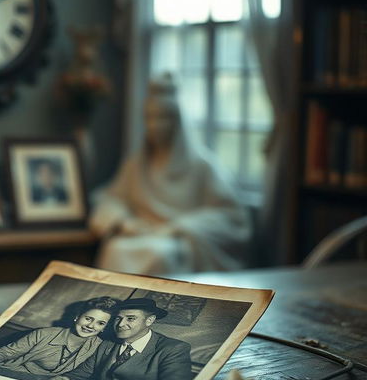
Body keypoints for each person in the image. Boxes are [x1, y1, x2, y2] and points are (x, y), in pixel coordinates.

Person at [89, 75, 251, 275]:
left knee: (160, 254)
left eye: (163, 118)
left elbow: (231, 218)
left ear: (177, 121)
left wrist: (181, 227)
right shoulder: (136, 164)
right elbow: (110, 197)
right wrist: (124, 221)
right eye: (150, 118)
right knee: (115, 248)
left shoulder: (202, 166)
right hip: (141, 234)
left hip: (176, 241)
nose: (155, 125)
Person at [44, 297, 192, 380]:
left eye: (131, 319)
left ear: (150, 320)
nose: (121, 324)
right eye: (118, 318)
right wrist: (60, 379)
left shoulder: (174, 348)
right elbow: (79, 374)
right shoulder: (107, 344)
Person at [0, 296, 120, 379]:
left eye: (100, 323)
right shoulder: (44, 334)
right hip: (4, 375)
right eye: (88, 318)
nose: (91, 326)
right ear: (77, 317)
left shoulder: (99, 346)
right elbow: (0, 354)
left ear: (105, 327)